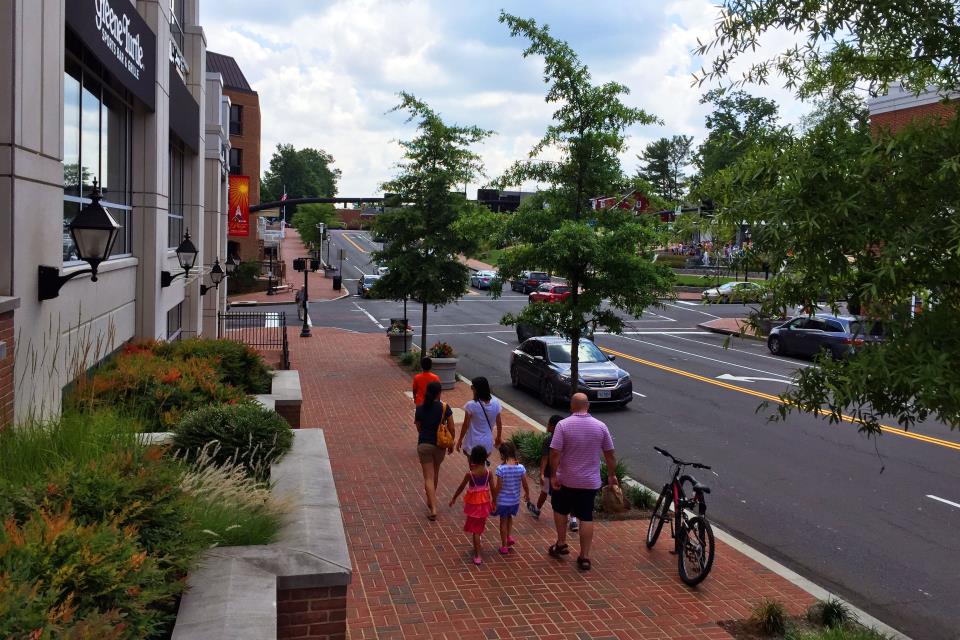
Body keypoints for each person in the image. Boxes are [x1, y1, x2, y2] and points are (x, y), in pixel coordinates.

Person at [547, 393, 618, 571]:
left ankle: (561, 542)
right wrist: (611, 475)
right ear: (588, 406)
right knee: (586, 516)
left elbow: (555, 453)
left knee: (560, 509)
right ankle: (585, 557)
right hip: (589, 481)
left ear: (572, 406)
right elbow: (610, 454)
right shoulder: (601, 427)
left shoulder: (563, 425)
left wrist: (553, 475)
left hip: (566, 479)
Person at [526, 415, 579, 531]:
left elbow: (545, 458)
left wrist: (541, 473)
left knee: (544, 491)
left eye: (549, 424)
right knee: (569, 494)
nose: (547, 426)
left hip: (551, 471)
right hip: (566, 472)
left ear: (554, 426)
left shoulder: (549, 439)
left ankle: (537, 510)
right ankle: (573, 520)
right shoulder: (568, 438)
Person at [450, 445, 496, 566]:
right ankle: (478, 544)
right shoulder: (488, 473)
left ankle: (477, 555)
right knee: (479, 527)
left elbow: (461, 487)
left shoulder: (470, 474)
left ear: (473, 458)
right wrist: (494, 501)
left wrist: (454, 497)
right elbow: (493, 488)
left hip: (474, 505)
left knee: (475, 530)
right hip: (484, 503)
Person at [414, 381, 454, 521]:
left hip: (424, 444)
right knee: (435, 473)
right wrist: (451, 443)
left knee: (428, 477)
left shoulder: (420, 408)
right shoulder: (444, 407)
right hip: (439, 446)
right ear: (439, 392)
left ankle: (433, 507)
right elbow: (452, 427)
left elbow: (418, 427)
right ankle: (432, 500)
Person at [492, 441, 530, 554]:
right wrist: (527, 494)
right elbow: (525, 483)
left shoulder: (501, 469)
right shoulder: (521, 468)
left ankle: (504, 546)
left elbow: (499, 486)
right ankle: (509, 537)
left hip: (503, 501)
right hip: (514, 501)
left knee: (503, 522)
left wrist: (494, 498)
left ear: (503, 455)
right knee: (510, 518)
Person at [456, 376, 503, 462]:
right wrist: (498, 437)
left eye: (472, 387)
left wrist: (460, 440)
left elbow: (465, 425)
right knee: (481, 466)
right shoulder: (496, 403)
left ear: (477, 390)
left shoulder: (471, 405)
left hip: (473, 442)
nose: (471, 389)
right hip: (487, 442)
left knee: (474, 470)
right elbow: (499, 422)